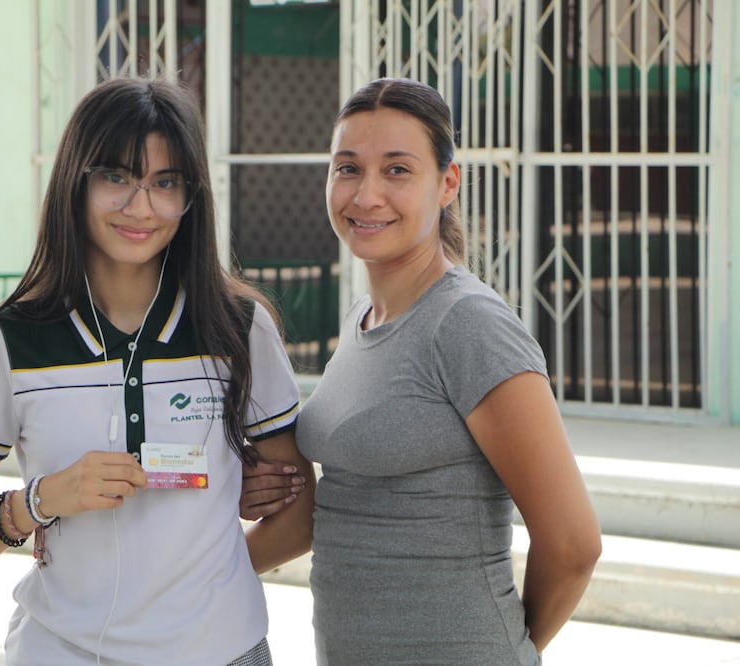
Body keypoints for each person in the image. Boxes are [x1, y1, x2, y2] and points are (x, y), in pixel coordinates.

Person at [0, 77, 315, 666]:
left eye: (165, 183)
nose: (141, 207)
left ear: (190, 198)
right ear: (75, 185)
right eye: (116, 177)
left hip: (223, 650)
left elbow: (298, 513)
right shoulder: (10, 343)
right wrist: (43, 499)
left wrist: (199, 576)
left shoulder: (241, 329)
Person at [243, 77, 602, 665]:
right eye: (348, 168)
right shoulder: (363, 320)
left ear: (447, 184)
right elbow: (345, 505)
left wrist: (505, 650)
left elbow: (574, 544)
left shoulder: (467, 325)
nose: (366, 195)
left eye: (398, 170)